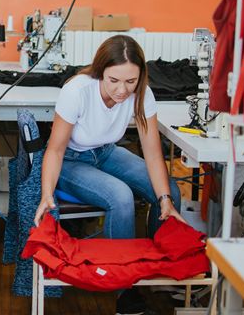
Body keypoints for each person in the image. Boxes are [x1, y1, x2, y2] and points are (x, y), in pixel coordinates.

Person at [33, 35, 184, 314]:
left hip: (104, 152)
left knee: (171, 191)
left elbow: (152, 152)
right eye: (114, 80)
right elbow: (54, 150)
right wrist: (45, 194)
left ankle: (156, 269)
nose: (123, 90)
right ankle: (125, 291)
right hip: (70, 160)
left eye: (130, 81)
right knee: (121, 197)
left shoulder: (142, 94)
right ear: (100, 72)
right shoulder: (77, 91)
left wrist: (163, 198)